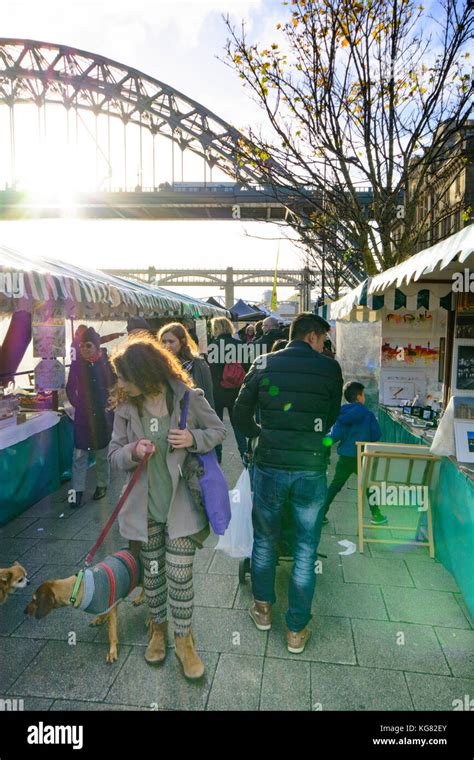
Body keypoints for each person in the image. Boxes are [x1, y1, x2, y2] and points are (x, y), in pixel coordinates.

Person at [108, 334, 226, 680]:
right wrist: (133, 451)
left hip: (182, 507)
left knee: (179, 574)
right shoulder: (126, 408)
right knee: (154, 574)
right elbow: (113, 454)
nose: (121, 384)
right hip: (144, 509)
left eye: (125, 377)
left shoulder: (188, 398)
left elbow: (218, 430)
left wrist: (193, 438)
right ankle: (158, 630)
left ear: (144, 373)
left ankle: (184, 640)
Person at [233, 313, 343, 654]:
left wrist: (261, 435)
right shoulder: (329, 369)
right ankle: (296, 629)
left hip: (270, 465)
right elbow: (331, 417)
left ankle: (263, 609)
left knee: (265, 541)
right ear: (312, 336)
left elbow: (239, 414)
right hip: (311, 467)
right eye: (324, 339)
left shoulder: (264, 363)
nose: (325, 345)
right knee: (306, 550)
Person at [322, 381, 386, 525]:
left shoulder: (342, 414)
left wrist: (322, 443)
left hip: (345, 458)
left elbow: (334, 436)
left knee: (335, 486)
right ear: (359, 397)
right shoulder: (368, 415)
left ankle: (321, 513)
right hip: (363, 457)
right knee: (369, 485)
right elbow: (377, 435)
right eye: (363, 394)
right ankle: (377, 515)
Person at [66, 327, 115, 508]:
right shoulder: (77, 364)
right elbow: (70, 387)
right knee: (79, 454)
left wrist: (112, 400)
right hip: (83, 416)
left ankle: (102, 485)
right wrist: (76, 402)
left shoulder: (107, 362)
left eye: (88, 345)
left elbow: (116, 384)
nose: (85, 349)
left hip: (102, 416)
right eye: (82, 346)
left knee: (102, 453)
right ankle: (77, 491)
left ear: (97, 346)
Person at [207, 316, 248, 463]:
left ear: (216, 329)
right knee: (238, 428)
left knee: (217, 428)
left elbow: (211, 372)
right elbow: (247, 369)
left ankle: (217, 460)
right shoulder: (240, 344)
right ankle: (245, 457)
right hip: (236, 392)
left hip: (217, 392)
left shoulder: (213, 346)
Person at [158, 322, 214, 408]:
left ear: (182, 342)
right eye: (164, 342)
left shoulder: (198, 364)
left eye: (171, 341)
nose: (166, 346)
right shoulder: (158, 364)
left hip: (192, 413)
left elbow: (208, 396)